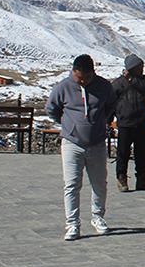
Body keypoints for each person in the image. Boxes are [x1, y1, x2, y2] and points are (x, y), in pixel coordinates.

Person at [46, 54, 118, 241]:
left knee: (99, 183)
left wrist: (102, 120)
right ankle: (72, 223)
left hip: (97, 143)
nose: (83, 81)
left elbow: (111, 105)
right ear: (73, 72)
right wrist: (68, 124)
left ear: (93, 72)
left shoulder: (103, 86)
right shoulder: (63, 87)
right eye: (79, 77)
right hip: (72, 143)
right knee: (71, 184)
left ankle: (98, 216)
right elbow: (52, 108)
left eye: (86, 77)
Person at [112, 53, 145, 193]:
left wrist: (131, 79)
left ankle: (142, 180)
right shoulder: (118, 84)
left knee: (141, 154)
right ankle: (122, 178)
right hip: (125, 123)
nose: (142, 69)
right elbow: (111, 102)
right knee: (123, 153)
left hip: (141, 123)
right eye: (138, 67)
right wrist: (110, 120)